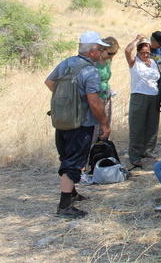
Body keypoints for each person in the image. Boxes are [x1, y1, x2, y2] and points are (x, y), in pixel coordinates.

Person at [45, 31, 111, 219]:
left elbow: (49, 82)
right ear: (91, 51)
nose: (101, 53)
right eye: (99, 49)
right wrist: (104, 123)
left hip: (62, 120)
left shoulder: (66, 63)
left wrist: (66, 101)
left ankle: (72, 193)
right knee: (73, 162)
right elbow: (94, 101)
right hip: (81, 123)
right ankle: (65, 206)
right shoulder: (90, 71)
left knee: (66, 156)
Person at [125, 35, 160, 168]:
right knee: (137, 126)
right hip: (139, 96)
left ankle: (148, 150)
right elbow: (127, 51)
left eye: (147, 52)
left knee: (152, 125)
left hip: (154, 96)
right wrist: (136, 40)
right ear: (138, 52)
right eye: (143, 52)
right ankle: (134, 155)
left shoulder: (153, 62)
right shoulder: (134, 62)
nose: (145, 54)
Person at [94, 37, 119, 140]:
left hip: (106, 95)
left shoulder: (108, 60)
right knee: (95, 128)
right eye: (110, 53)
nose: (112, 56)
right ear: (102, 49)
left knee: (106, 127)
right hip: (95, 97)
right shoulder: (93, 61)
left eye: (114, 53)